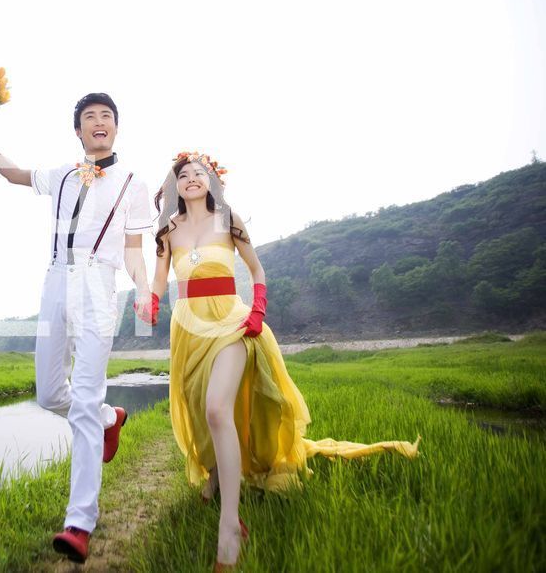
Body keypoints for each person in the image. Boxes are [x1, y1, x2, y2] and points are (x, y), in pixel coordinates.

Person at [139, 151, 420, 571]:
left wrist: (258, 310)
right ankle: (215, 473)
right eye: (184, 175)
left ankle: (230, 526)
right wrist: (150, 301)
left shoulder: (229, 220)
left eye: (200, 172)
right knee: (200, 408)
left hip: (232, 322)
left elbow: (256, 270)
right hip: (189, 327)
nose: (192, 178)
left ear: (212, 181)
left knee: (217, 409)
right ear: (175, 185)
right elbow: (160, 279)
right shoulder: (169, 230)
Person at [0, 93, 154, 563]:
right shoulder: (63, 174)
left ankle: (79, 522)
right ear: (78, 130)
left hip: (99, 287)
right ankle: (110, 418)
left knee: (83, 399)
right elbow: (12, 173)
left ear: (116, 127)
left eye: (106, 116)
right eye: (90, 116)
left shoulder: (133, 182)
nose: (99, 121)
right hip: (54, 283)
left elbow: (133, 249)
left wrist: (144, 288)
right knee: (49, 395)